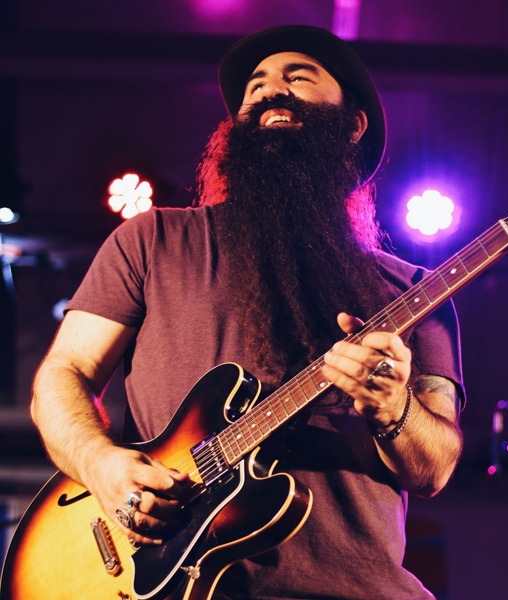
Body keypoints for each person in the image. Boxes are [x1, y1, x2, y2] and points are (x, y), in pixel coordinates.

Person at [30, 24, 464, 599]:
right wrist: (101, 466)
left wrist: (393, 406)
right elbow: (64, 374)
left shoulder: (411, 292)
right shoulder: (153, 240)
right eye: (255, 85)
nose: (269, 90)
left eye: (298, 77)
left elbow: (434, 468)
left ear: (353, 124)